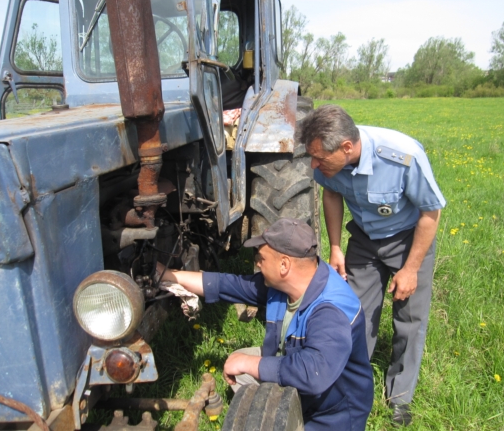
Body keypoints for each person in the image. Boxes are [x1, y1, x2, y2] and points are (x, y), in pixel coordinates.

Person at [296, 104, 445, 426]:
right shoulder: (329, 159)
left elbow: (430, 213)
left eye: (320, 158)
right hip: (363, 240)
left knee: (409, 319)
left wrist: (410, 269)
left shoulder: (402, 156)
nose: (314, 165)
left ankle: (400, 397)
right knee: (353, 314)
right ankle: (348, 386)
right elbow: (332, 196)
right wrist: (335, 247)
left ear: (347, 147)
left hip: (409, 240)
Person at [159, 218, 373, 431]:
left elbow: (314, 374)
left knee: (245, 364)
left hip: (330, 416)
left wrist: (248, 363)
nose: (258, 263)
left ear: (284, 264)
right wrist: (169, 276)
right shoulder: (288, 284)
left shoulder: (330, 311)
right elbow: (229, 285)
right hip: (306, 387)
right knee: (242, 364)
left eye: (261, 258)